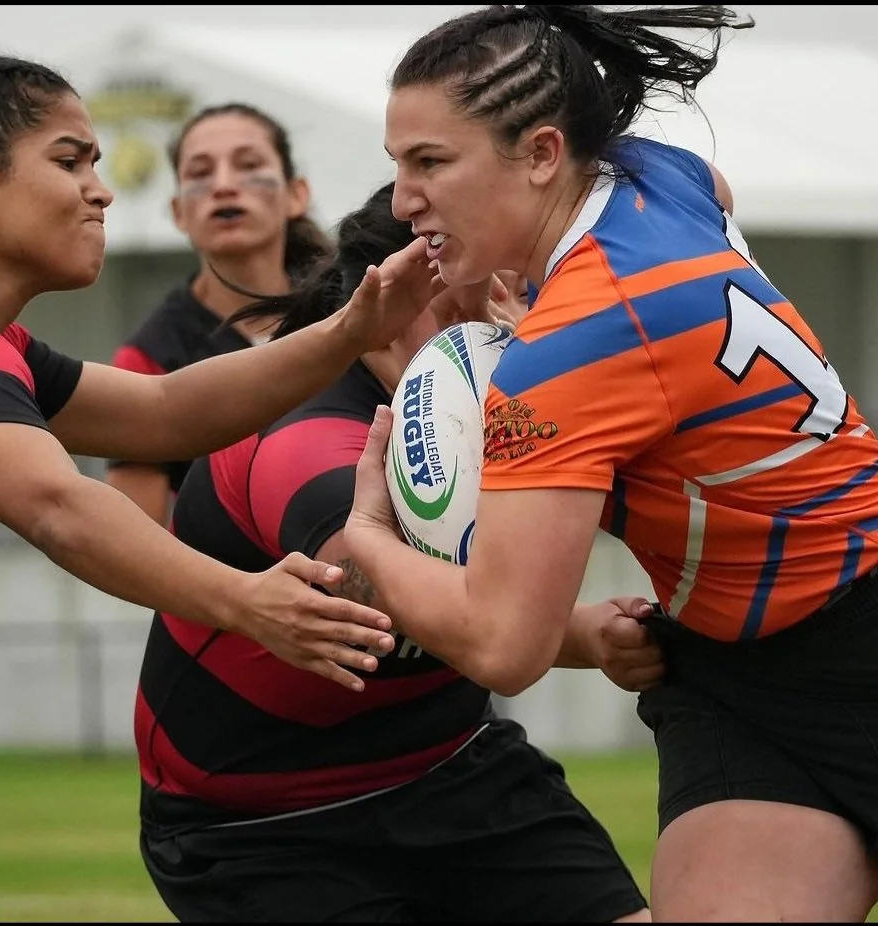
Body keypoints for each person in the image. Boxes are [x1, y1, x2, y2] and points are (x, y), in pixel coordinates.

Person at [0, 54, 439, 921]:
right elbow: (58, 506)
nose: (100, 190)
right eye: (70, 161)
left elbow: (169, 412)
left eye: (98, 163)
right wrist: (250, 601)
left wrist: (347, 331)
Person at [341, 5, 878, 922]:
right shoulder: (656, 177)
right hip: (735, 675)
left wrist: (368, 535)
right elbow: (713, 194)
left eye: (430, 163)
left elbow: (503, 646)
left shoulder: (579, 345)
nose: (402, 201)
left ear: (543, 153)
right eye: (398, 164)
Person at [133, 180, 662, 924]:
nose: (501, 317)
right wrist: (576, 632)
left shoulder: (504, 397)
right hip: (259, 823)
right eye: (465, 300)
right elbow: (373, 600)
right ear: (385, 311)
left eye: (512, 289)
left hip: (454, 766)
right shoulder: (301, 433)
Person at [107, 102, 332, 526]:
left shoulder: (350, 315)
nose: (224, 185)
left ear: (296, 194)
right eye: (199, 173)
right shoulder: (149, 358)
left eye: (248, 165)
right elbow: (134, 543)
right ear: (178, 212)